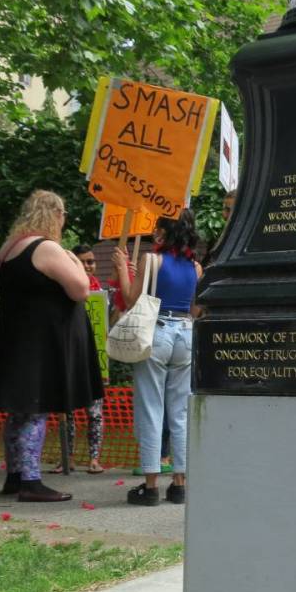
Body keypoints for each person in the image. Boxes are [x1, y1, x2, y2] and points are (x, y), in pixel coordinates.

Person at [0, 191, 102, 501]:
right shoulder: (47, 248)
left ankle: (15, 475)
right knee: (36, 411)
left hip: (18, 338)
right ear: (54, 214)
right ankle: (31, 480)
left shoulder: (9, 249)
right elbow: (81, 289)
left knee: (19, 413)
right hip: (41, 343)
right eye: (63, 215)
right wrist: (71, 259)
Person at [112, 208, 201, 506]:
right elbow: (196, 310)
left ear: (165, 231)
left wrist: (123, 269)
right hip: (185, 334)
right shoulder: (196, 268)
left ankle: (150, 485)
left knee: (151, 407)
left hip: (156, 331)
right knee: (180, 411)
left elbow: (130, 298)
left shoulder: (152, 260)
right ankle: (180, 484)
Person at [58, 244, 106, 474]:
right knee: (66, 410)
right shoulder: (65, 290)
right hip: (71, 357)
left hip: (96, 358)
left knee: (94, 413)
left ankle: (94, 459)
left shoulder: (101, 293)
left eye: (91, 261)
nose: (88, 266)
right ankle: (67, 458)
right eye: (83, 261)